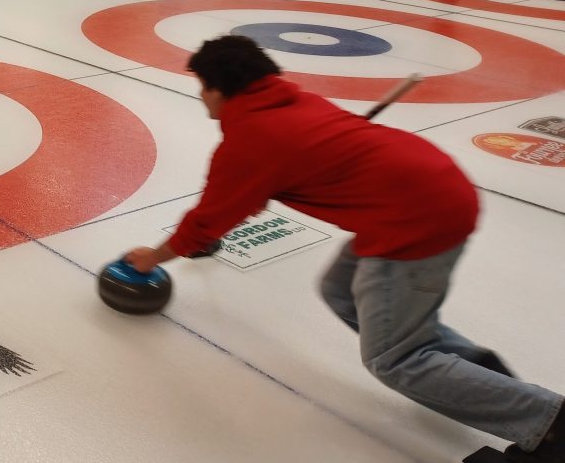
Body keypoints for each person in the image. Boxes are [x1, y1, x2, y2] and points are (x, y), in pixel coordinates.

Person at [124, 35, 564, 463]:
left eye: (201, 86)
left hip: (414, 222)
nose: (201, 96)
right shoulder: (291, 103)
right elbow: (283, 170)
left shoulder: (251, 138)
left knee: (395, 360)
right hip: (431, 192)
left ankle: (549, 423)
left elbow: (206, 221)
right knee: (342, 288)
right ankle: (477, 375)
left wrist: (152, 257)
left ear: (217, 89)